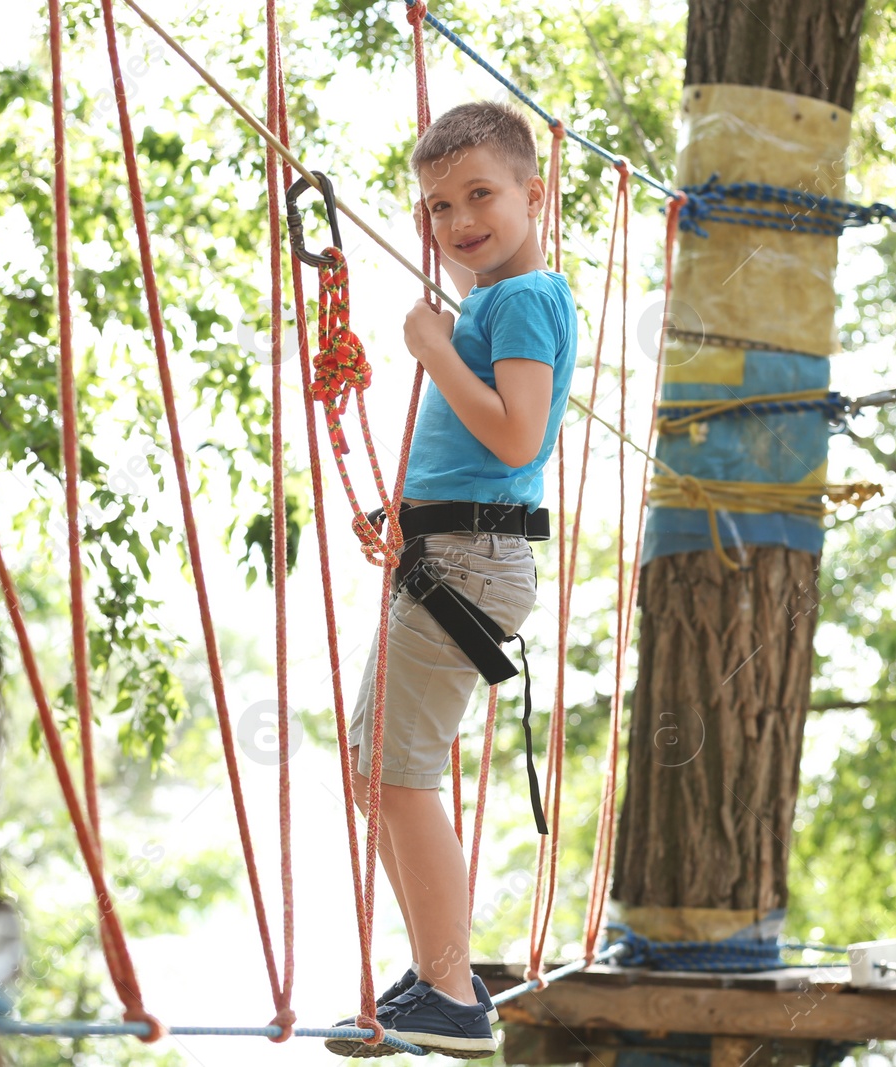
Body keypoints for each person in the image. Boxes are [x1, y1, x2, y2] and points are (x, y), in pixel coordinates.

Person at [325, 100, 576, 1060]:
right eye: (437, 206)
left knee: (395, 771)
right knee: (371, 767)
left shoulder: (518, 298)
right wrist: (405, 509)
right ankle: (442, 973)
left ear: (533, 193)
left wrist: (430, 347)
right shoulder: (494, 302)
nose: (459, 219)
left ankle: (448, 990)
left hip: (470, 559)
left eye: (480, 194)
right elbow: (487, 454)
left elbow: (518, 433)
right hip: (450, 548)